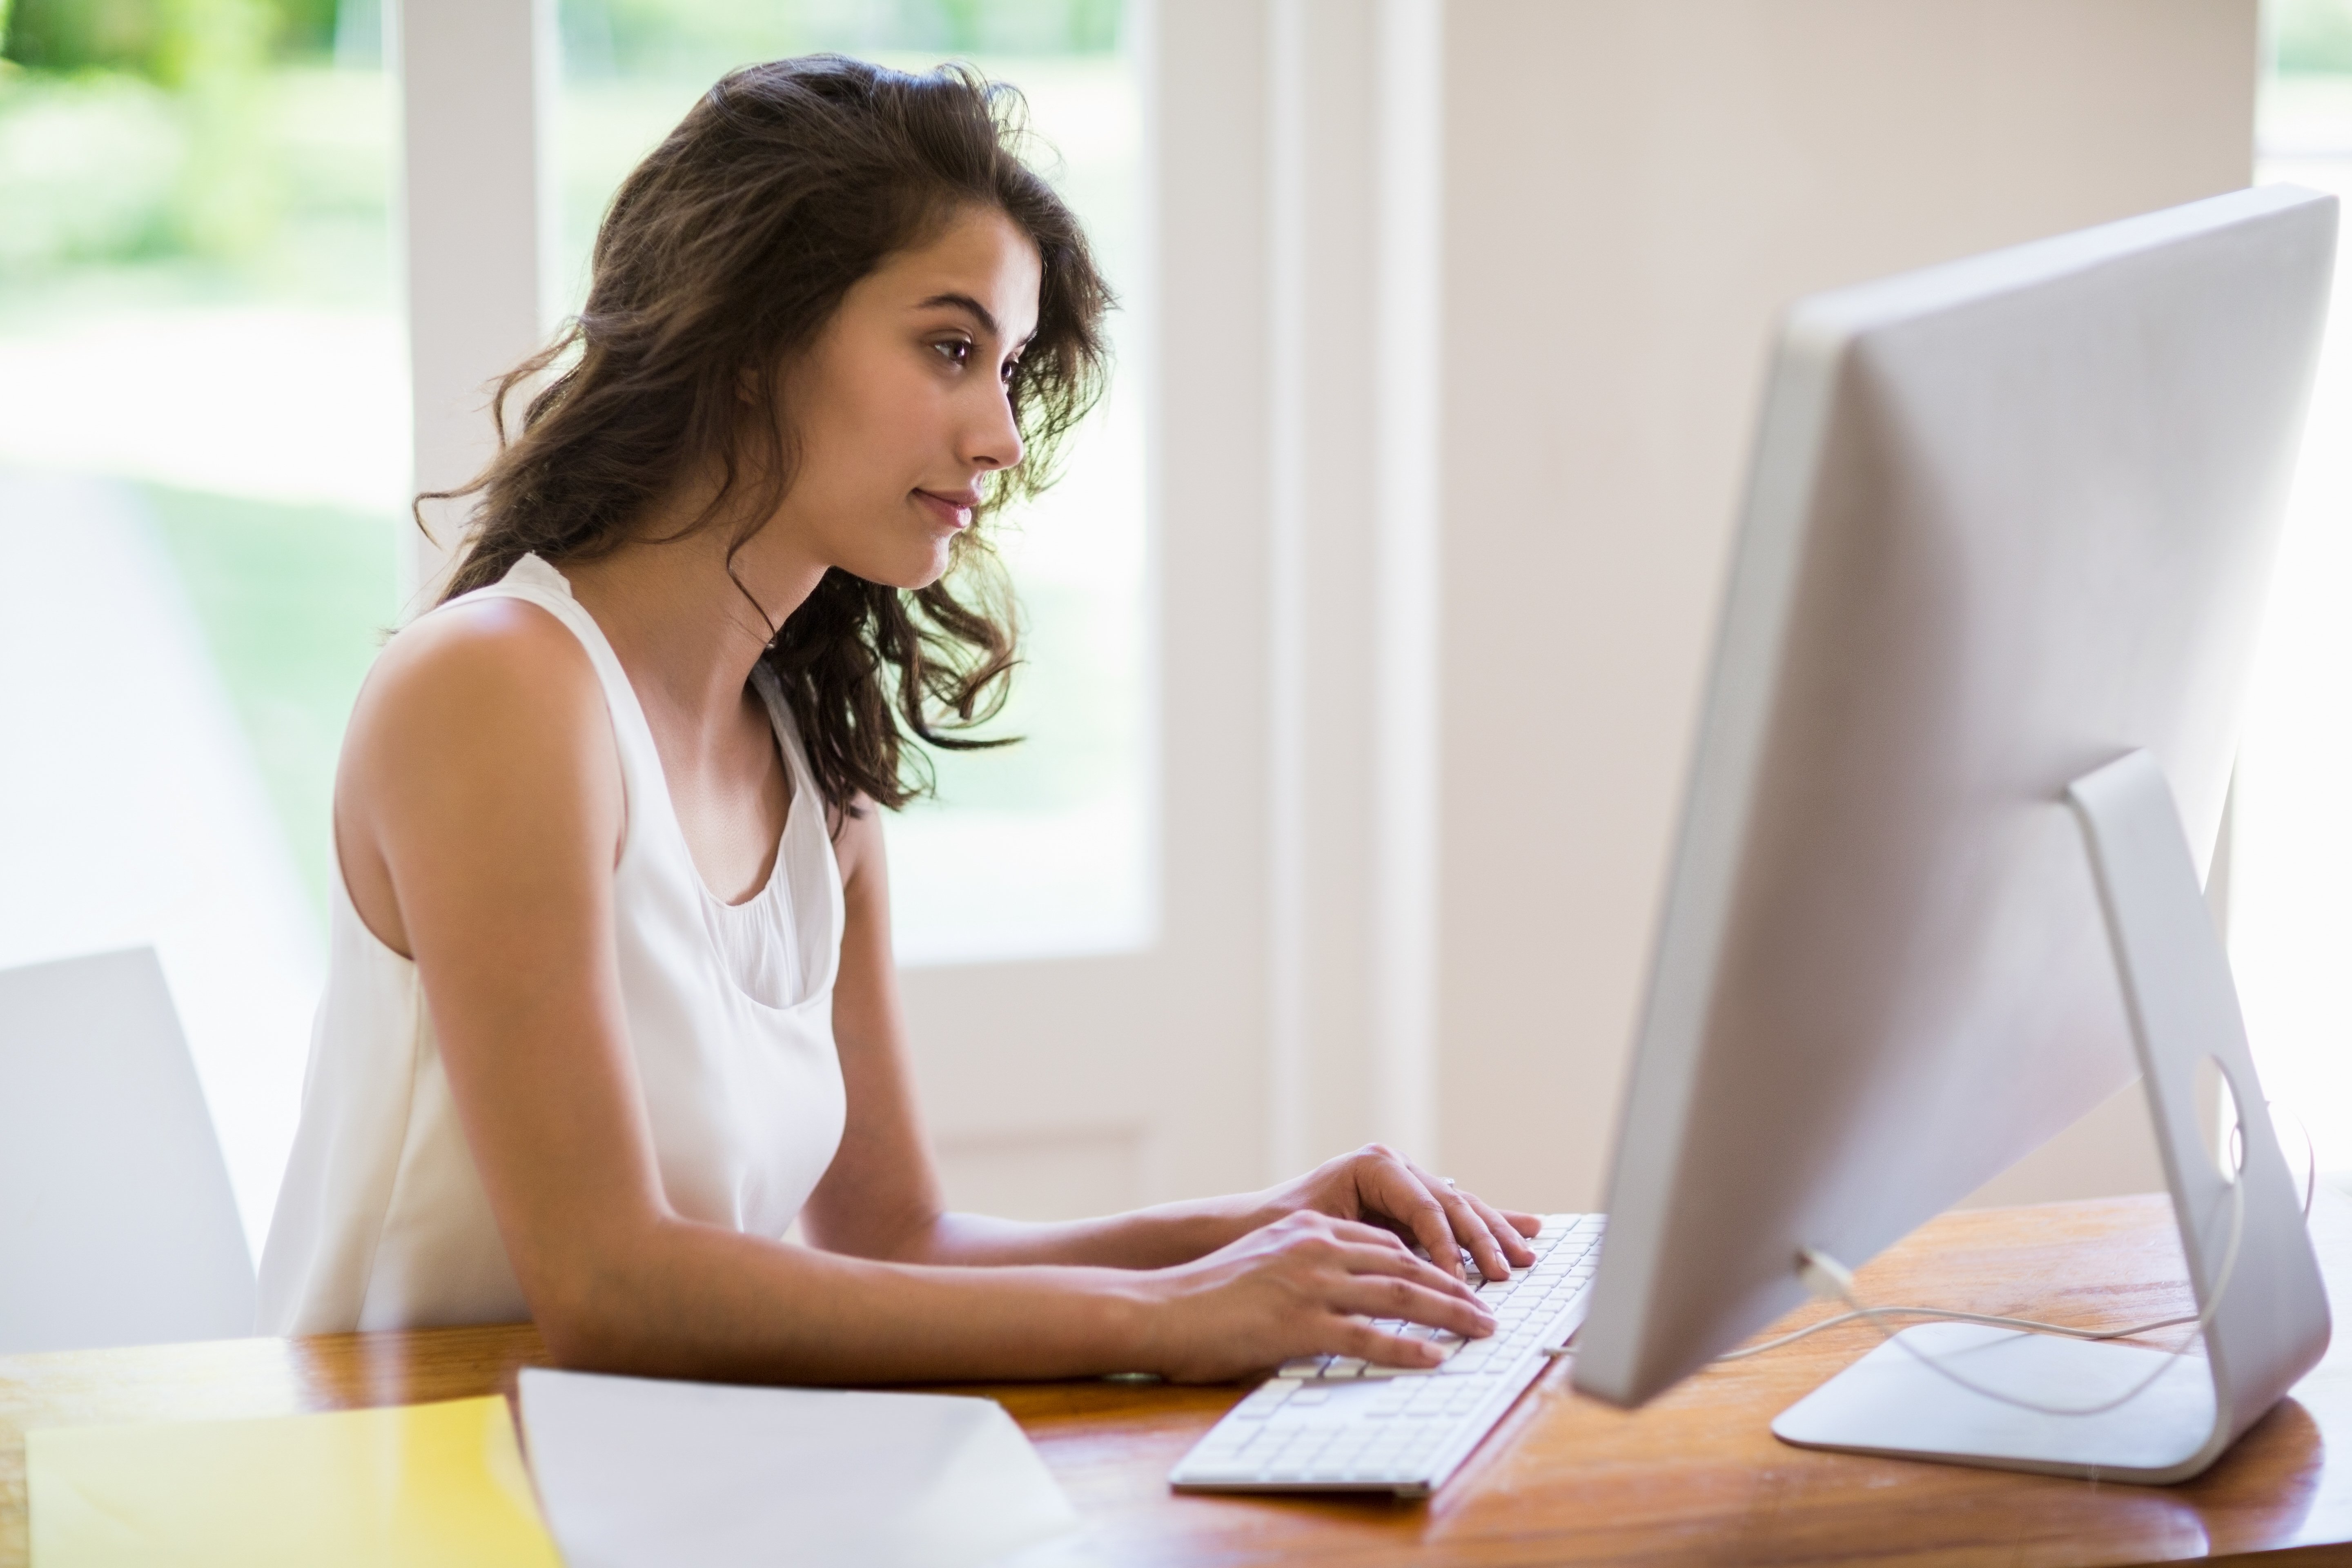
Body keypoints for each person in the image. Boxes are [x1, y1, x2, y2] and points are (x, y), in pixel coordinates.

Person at [257, 55, 1533, 1384]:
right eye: (949, 348)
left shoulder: (814, 762)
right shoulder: (496, 690)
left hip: (656, 1483)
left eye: (1010, 367)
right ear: (753, 341)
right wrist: (1164, 1320)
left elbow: (897, 1239)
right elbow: (608, 1286)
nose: (1000, 436)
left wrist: (1260, 1235)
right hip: (399, 1493)